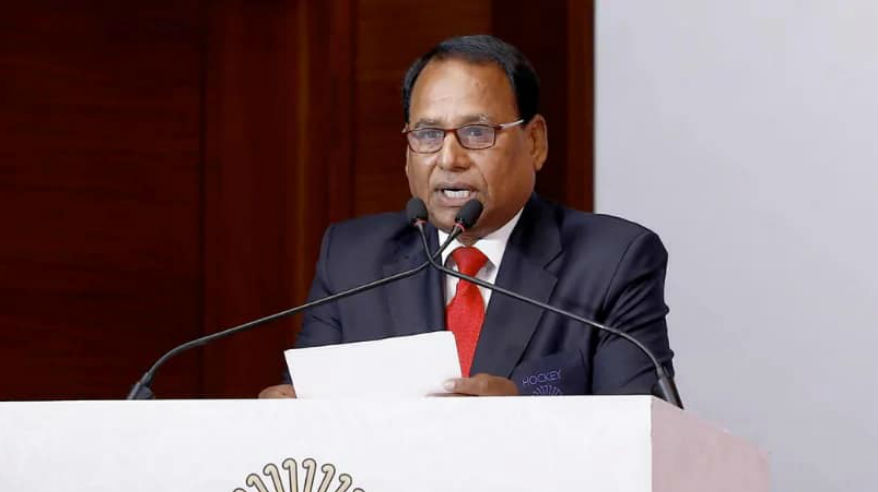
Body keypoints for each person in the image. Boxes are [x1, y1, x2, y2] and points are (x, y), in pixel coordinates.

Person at [260, 34, 675, 399]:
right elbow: (312, 415)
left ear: (534, 142)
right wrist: (285, 418)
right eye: (428, 134)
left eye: (476, 132)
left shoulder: (612, 261)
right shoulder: (353, 261)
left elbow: (641, 431)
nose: (449, 159)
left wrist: (525, 410)